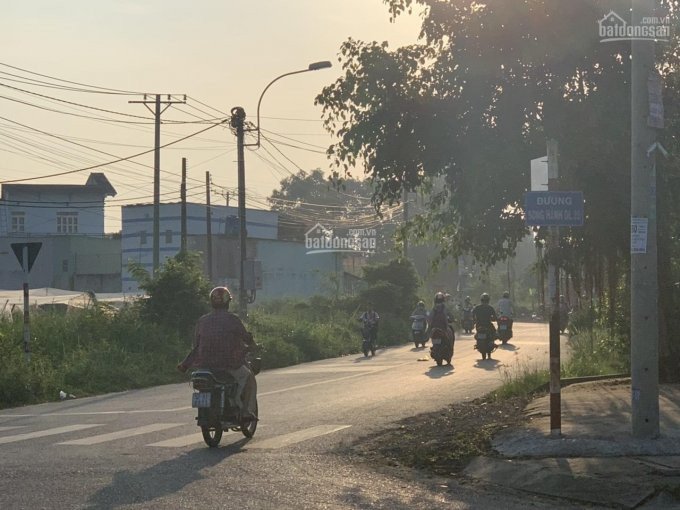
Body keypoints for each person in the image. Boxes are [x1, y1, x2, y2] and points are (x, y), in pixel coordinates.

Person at [177, 286, 257, 420]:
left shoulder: (202, 321)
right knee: (249, 378)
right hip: (230, 364)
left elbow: (196, 346)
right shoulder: (233, 319)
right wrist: (252, 345)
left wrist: (185, 365)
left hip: (205, 365)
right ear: (228, 302)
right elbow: (246, 337)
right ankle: (246, 412)